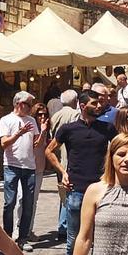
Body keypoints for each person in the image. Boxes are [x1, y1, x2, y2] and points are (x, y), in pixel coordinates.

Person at [46, 89, 116, 255]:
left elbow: (120, 148)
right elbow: (49, 150)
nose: (99, 106)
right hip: (75, 189)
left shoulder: (107, 128)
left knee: (99, 240)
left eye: (100, 102)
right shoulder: (68, 129)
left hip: (100, 189)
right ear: (83, 106)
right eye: (95, 103)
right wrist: (62, 171)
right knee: (73, 239)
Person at [0, 91, 42, 252]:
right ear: (20, 104)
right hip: (11, 165)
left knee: (28, 204)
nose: (31, 109)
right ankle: (8, 236)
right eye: (29, 105)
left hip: (29, 166)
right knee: (9, 203)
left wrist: (43, 131)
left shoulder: (31, 120)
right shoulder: (6, 120)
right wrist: (19, 133)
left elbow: (36, 143)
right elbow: (3, 143)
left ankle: (23, 238)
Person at [48, 90, 81, 241]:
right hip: (70, 159)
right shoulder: (75, 115)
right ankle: (65, 226)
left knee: (63, 192)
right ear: (75, 101)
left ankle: (62, 226)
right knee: (70, 192)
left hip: (58, 159)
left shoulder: (55, 116)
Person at [32, 102, 52, 230]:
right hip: (30, 166)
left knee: (34, 201)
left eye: (45, 114)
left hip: (40, 166)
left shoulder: (46, 129)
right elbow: (35, 145)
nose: (42, 117)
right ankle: (19, 230)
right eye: (39, 114)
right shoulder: (34, 128)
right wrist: (42, 131)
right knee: (23, 200)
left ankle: (29, 229)